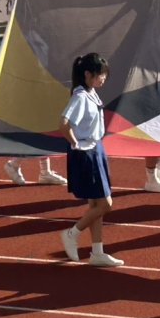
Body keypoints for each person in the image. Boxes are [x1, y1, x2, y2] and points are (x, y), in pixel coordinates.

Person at [58, 52, 123, 267]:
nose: (103, 78)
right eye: (100, 74)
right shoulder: (80, 97)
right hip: (87, 151)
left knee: (96, 202)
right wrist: (76, 143)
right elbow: (64, 123)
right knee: (105, 204)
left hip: (96, 148)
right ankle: (72, 233)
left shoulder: (91, 93)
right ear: (88, 74)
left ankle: (97, 251)